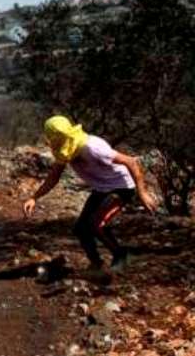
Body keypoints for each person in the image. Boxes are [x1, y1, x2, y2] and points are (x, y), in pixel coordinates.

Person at [23, 116, 157, 279]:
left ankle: (121, 255)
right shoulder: (64, 151)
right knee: (80, 229)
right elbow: (54, 177)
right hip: (101, 189)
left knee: (96, 224)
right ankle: (96, 264)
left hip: (121, 187)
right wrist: (34, 197)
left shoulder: (93, 147)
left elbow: (131, 162)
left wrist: (142, 193)